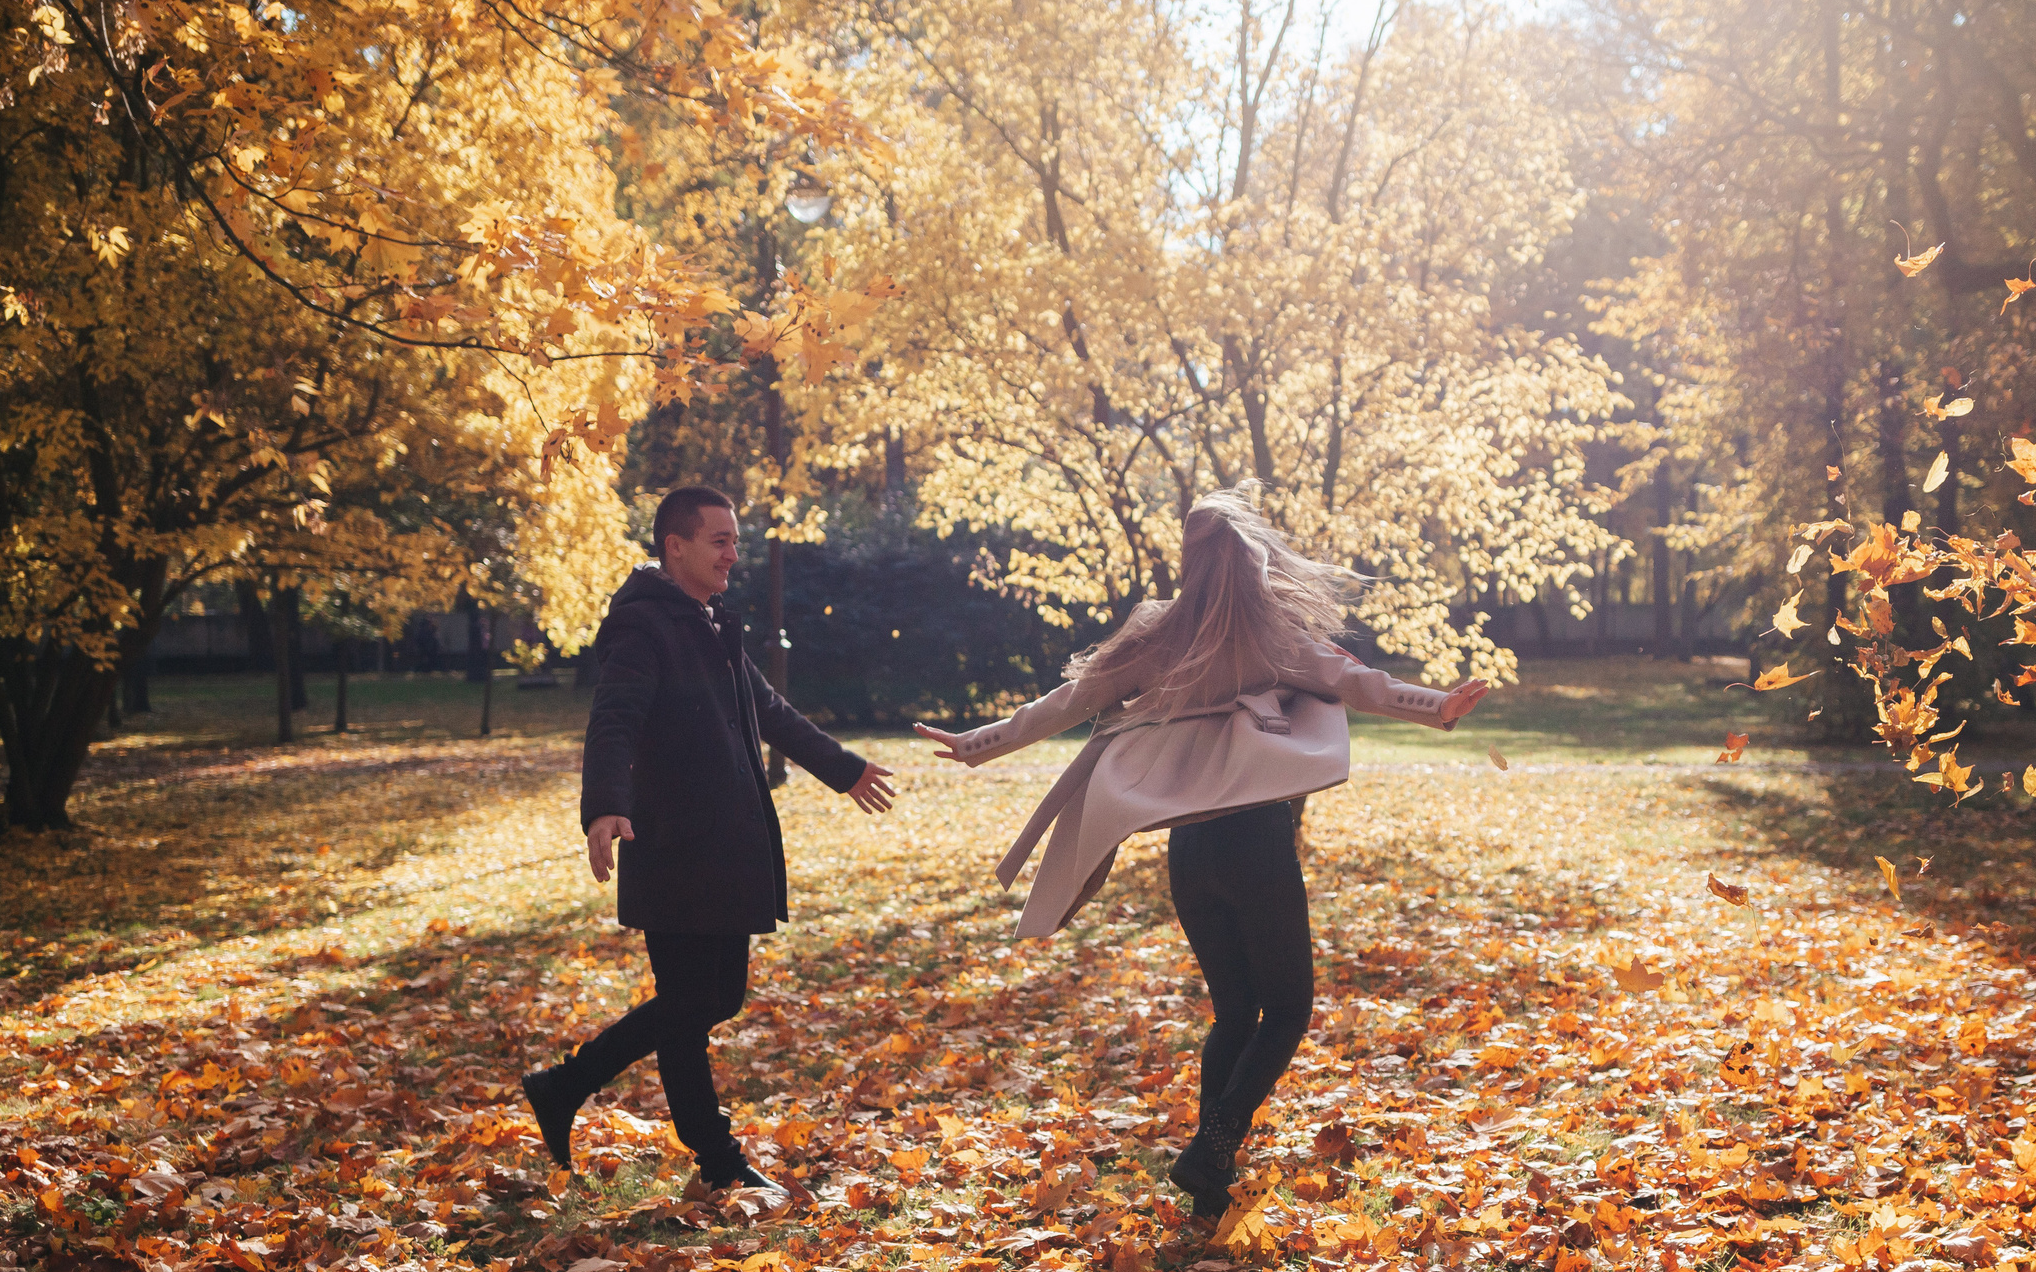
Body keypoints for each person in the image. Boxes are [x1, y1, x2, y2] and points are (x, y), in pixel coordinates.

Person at [916, 489, 1484, 1223]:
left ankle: (1209, 1181)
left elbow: (1068, 700)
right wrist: (1435, 705)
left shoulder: (1157, 635)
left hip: (1190, 851)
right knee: (1285, 1009)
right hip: (1255, 841)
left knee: (1232, 1013)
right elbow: (1354, 681)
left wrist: (979, 742)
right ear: (1252, 558)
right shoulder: (1268, 634)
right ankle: (1213, 1145)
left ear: (1187, 560)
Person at [523, 485, 896, 1192]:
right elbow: (614, 720)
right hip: (674, 846)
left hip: (722, 844)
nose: (734, 554)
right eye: (720, 540)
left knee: (698, 1002)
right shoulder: (644, 627)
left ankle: (577, 1092)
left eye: (734, 539)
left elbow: (769, 710)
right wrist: (604, 805)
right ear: (677, 547)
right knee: (700, 1000)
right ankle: (697, 1148)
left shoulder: (711, 620)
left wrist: (842, 769)